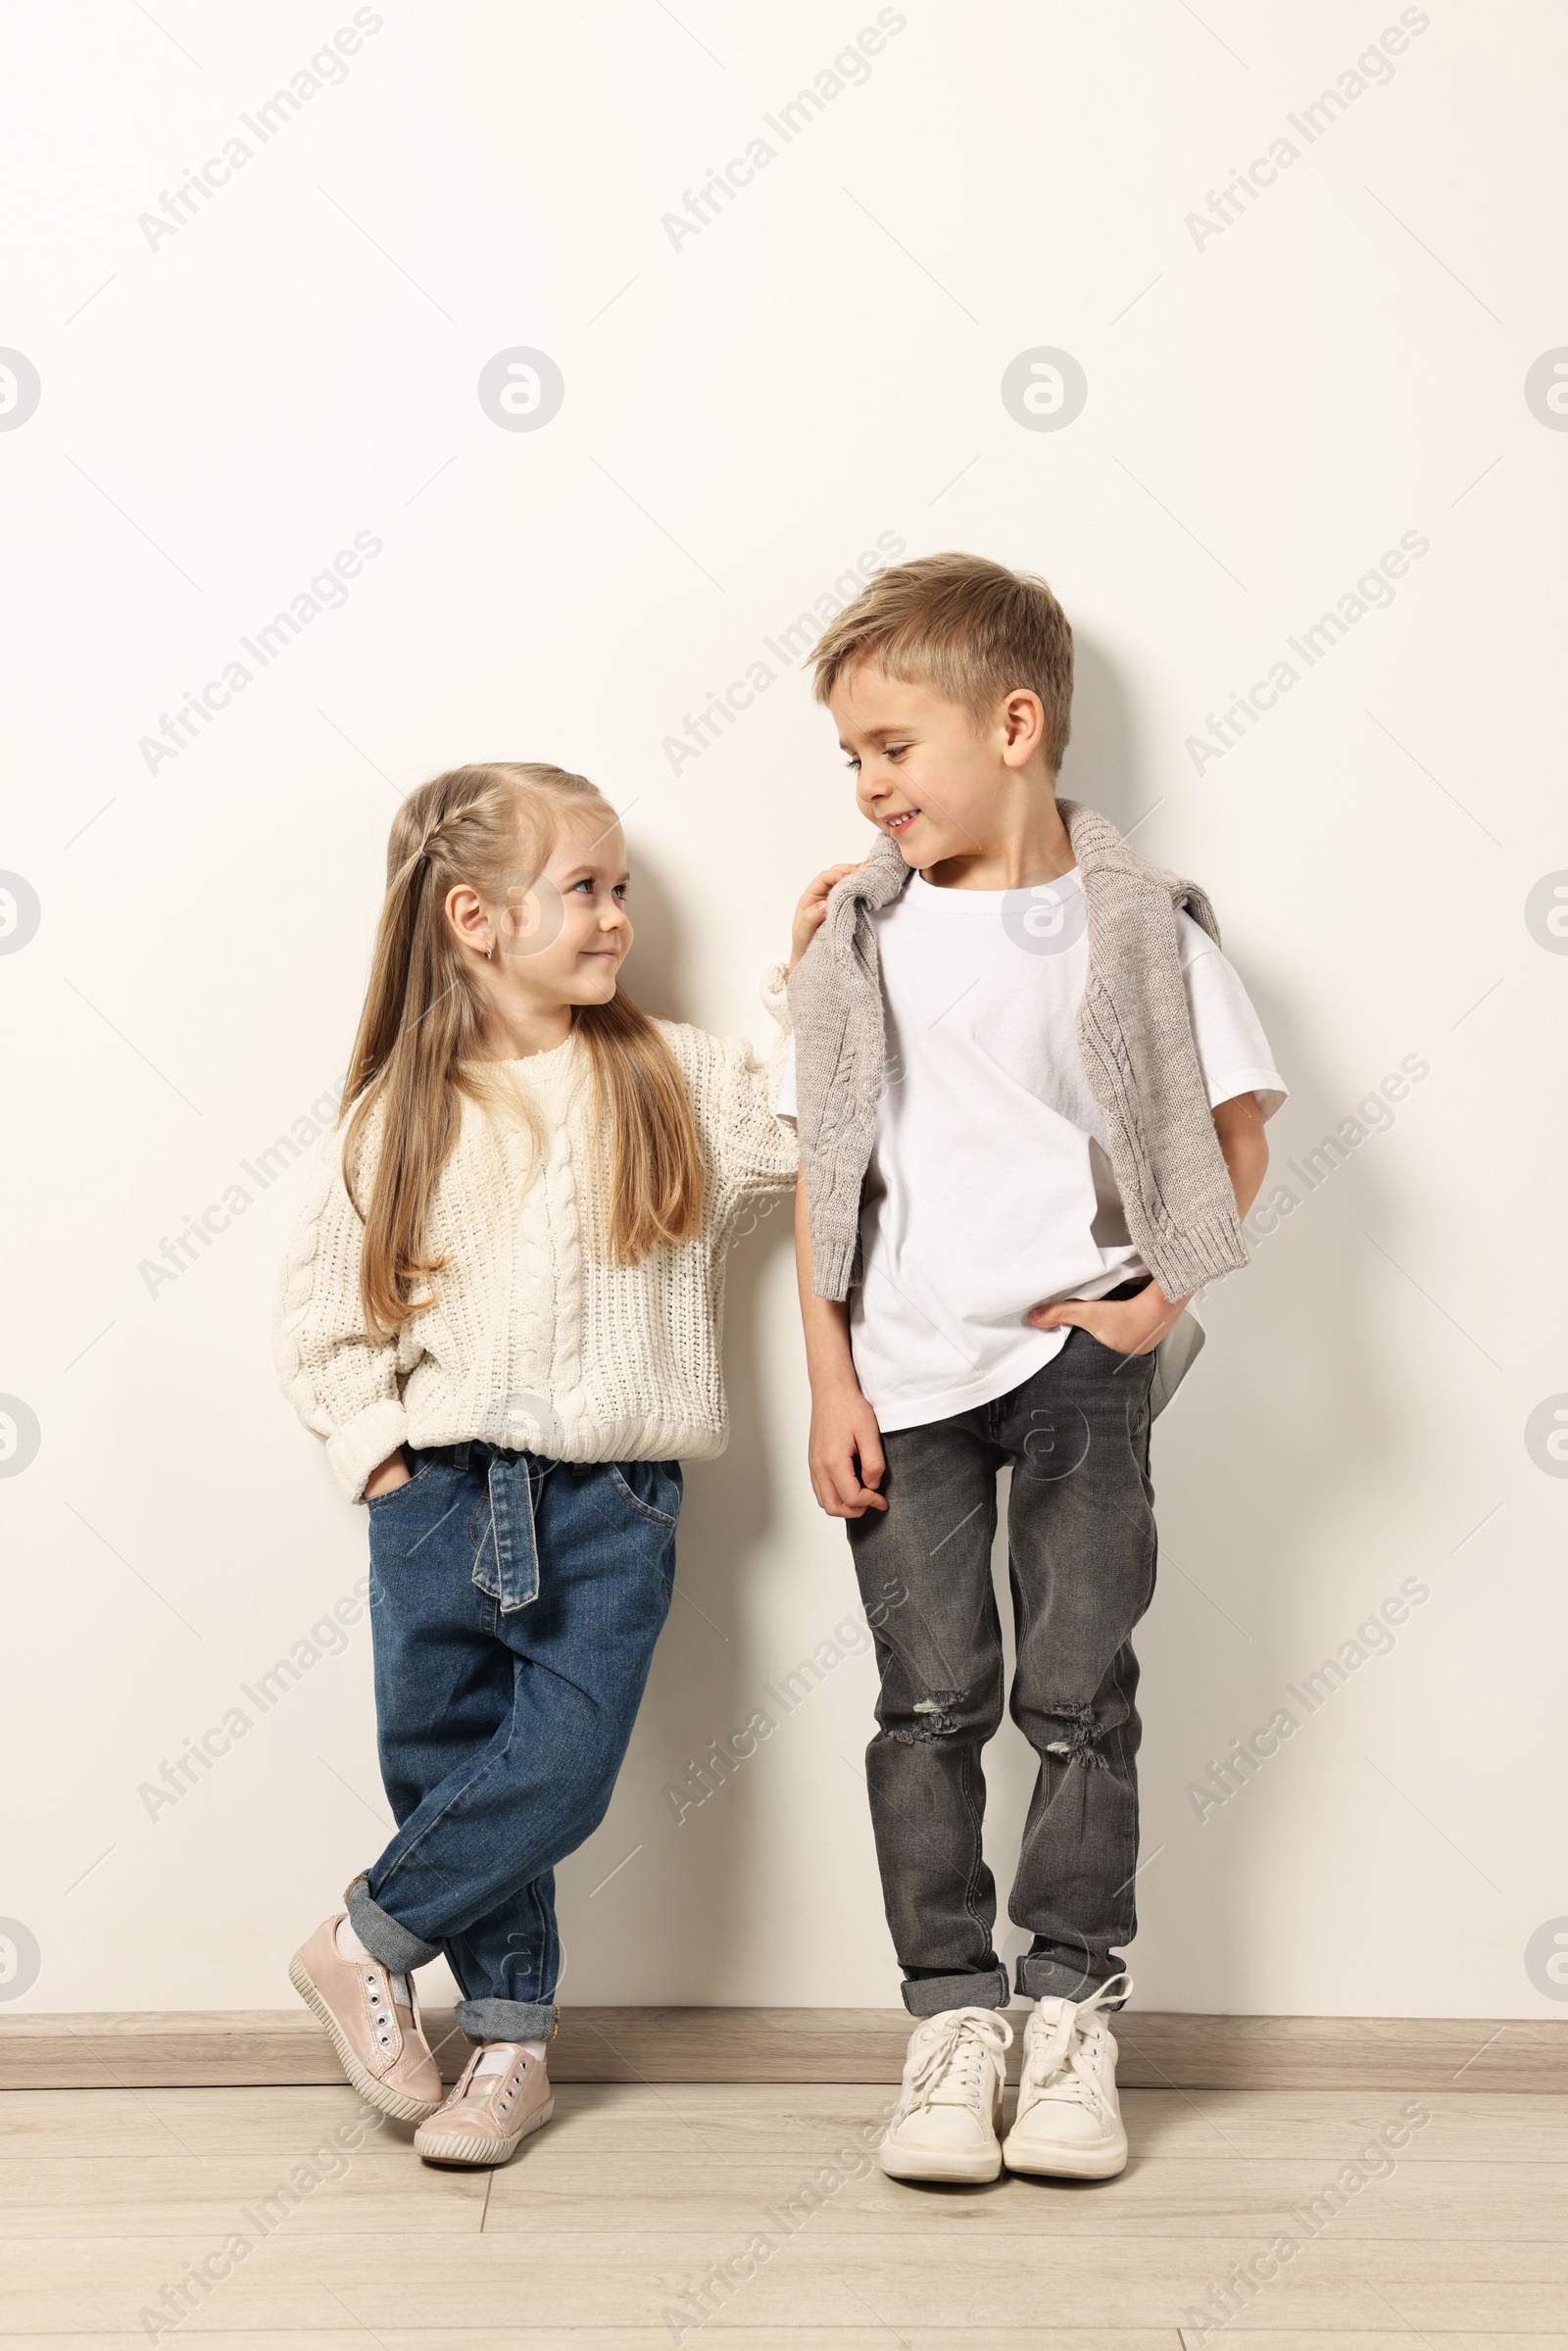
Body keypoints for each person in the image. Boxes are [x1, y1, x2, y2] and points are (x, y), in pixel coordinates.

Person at [782, 556, 1286, 2185]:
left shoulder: (1133, 927)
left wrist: (1156, 1301)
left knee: (1081, 1702)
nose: (868, 786)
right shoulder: (863, 935)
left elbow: (1239, 1125)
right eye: (849, 758)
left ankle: (1071, 2017)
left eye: (890, 747)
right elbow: (822, 1175)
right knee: (929, 1705)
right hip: (909, 1374)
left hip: (1077, 1363)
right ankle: (951, 2023)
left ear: (1015, 726)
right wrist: (828, 1381)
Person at [274, 760, 803, 2167]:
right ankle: (509, 2050)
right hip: (438, 1492)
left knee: (560, 1772)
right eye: (586, 888)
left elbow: (804, 1137)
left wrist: (816, 988)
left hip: (613, 1498)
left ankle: (362, 1939)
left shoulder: (670, 1073)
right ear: (476, 918)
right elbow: (324, 1321)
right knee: (447, 1766)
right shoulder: (403, 1112)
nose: (616, 915)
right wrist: (380, 1463)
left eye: (621, 888)